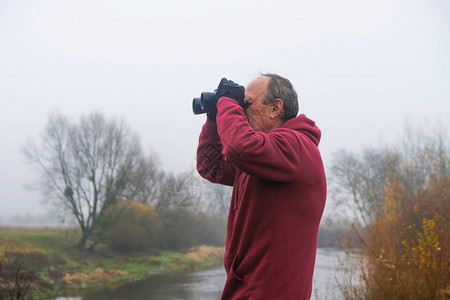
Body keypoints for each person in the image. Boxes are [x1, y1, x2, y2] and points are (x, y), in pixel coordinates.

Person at [196, 73, 327, 299]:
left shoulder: (296, 147)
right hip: (247, 290)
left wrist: (227, 102)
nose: (241, 110)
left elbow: (239, 146)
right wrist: (214, 117)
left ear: (275, 108)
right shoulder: (265, 159)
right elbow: (211, 166)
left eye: (246, 103)